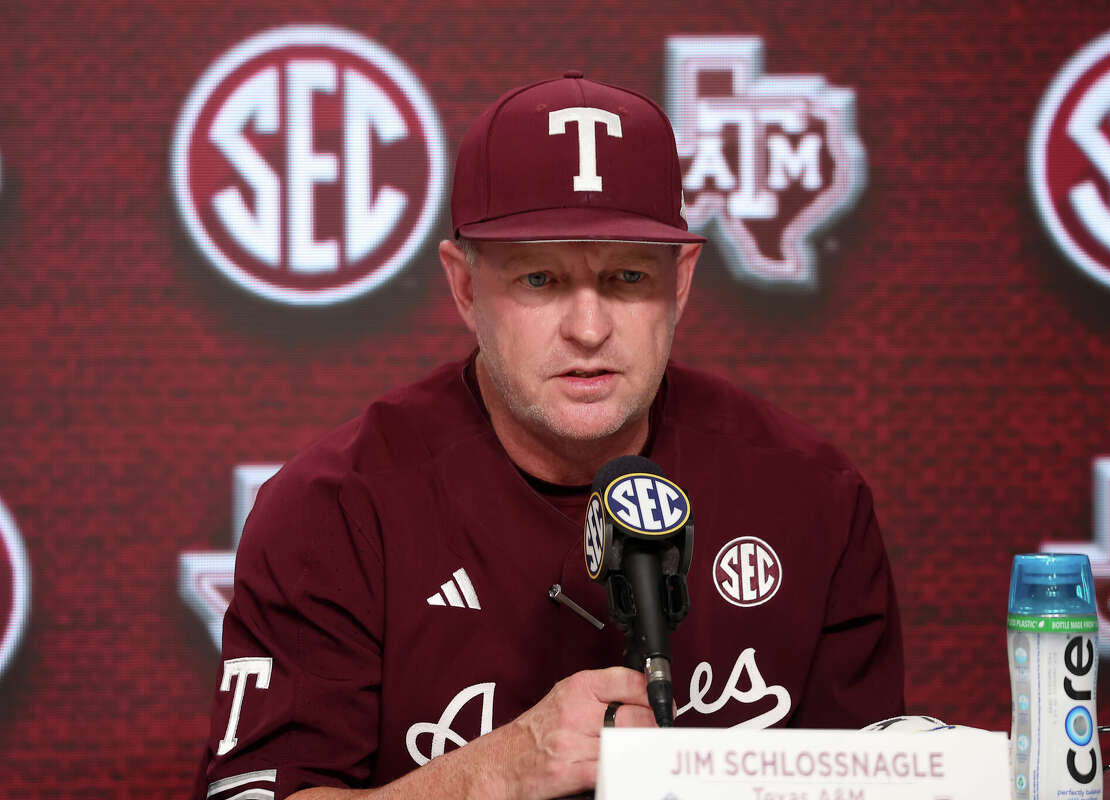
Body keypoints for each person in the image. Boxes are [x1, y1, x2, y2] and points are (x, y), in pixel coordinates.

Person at [193, 72, 904, 800]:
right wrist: (494, 773)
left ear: (682, 281)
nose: (588, 329)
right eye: (540, 280)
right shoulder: (333, 512)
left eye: (627, 277)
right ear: (465, 288)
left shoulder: (810, 498)